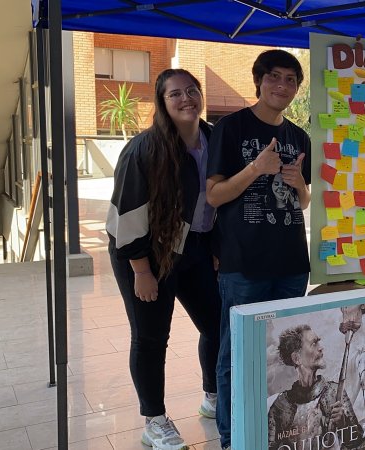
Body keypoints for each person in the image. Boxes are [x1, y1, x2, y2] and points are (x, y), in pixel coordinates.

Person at [106, 68, 221, 450]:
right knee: (152, 338)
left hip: (194, 248)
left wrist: (215, 249)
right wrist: (141, 271)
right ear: (162, 102)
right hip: (146, 253)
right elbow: (125, 217)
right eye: (176, 94)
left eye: (192, 91)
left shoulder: (211, 139)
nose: (187, 99)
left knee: (217, 325)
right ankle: (154, 420)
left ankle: (213, 397)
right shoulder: (145, 149)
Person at [206, 49, 311, 450]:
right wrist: (255, 170)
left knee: (284, 356)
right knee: (236, 355)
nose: (282, 86)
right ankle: (233, 439)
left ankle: (273, 434)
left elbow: (302, 201)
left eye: (290, 80)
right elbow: (214, 196)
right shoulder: (229, 129)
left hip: (290, 264)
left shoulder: (299, 137)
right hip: (243, 264)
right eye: (275, 77)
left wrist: (298, 182)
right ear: (259, 80)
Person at [268, 325, 364, 449]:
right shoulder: (280, 405)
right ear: (296, 358)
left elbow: (356, 441)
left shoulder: (334, 392)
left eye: (318, 342)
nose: (321, 348)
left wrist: (343, 423)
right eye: (314, 344)